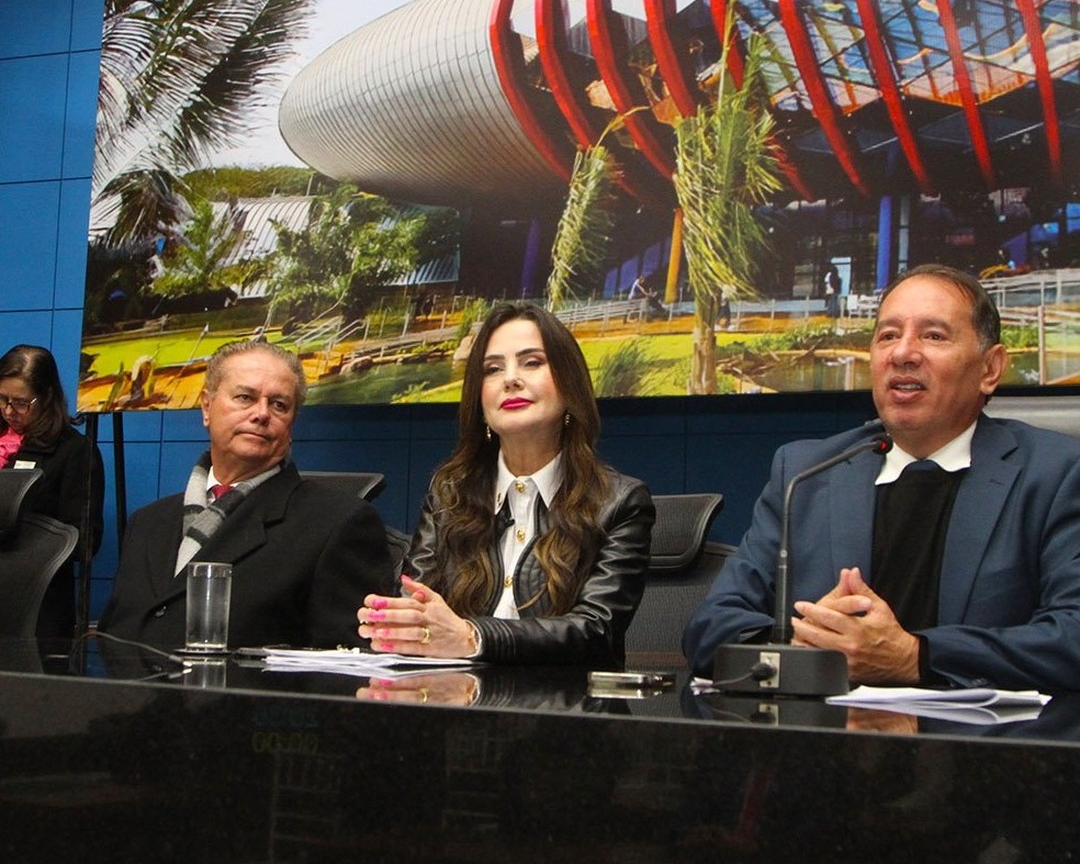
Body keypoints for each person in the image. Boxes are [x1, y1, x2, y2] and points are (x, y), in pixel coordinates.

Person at [684, 264, 1080, 693]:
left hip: (987, 751)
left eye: (933, 336)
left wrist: (914, 657)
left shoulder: (1055, 474)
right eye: (888, 335)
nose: (903, 353)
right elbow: (710, 627)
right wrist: (801, 643)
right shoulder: (807, 473)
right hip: (823, 749)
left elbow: (1072, 634)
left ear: (990, 368)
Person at [358, 303, 655, 666]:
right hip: (452, 706)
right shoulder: (449, 492)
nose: (510, 379)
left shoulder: (619, 502)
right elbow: (417, 604)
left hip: (563, 711)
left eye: (532, 363)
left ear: (569, 386)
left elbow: (595, 632)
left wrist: (473, 637)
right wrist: (396, 622)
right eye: (492, 369)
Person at [99, 340, 394, 649]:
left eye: (279, 404)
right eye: (245, 397)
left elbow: (351, 664)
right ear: (206, 407)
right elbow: (115, 637)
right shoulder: (147, 523)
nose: (261, 414)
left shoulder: (340, 523)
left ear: (292, 423)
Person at [0, 345, 104, 638]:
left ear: (46, 397)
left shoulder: (74, 451)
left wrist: (23, 528)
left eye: (21, 402)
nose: (9, 411)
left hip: (36, 609)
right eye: (2, 399)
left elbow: (86, 541)